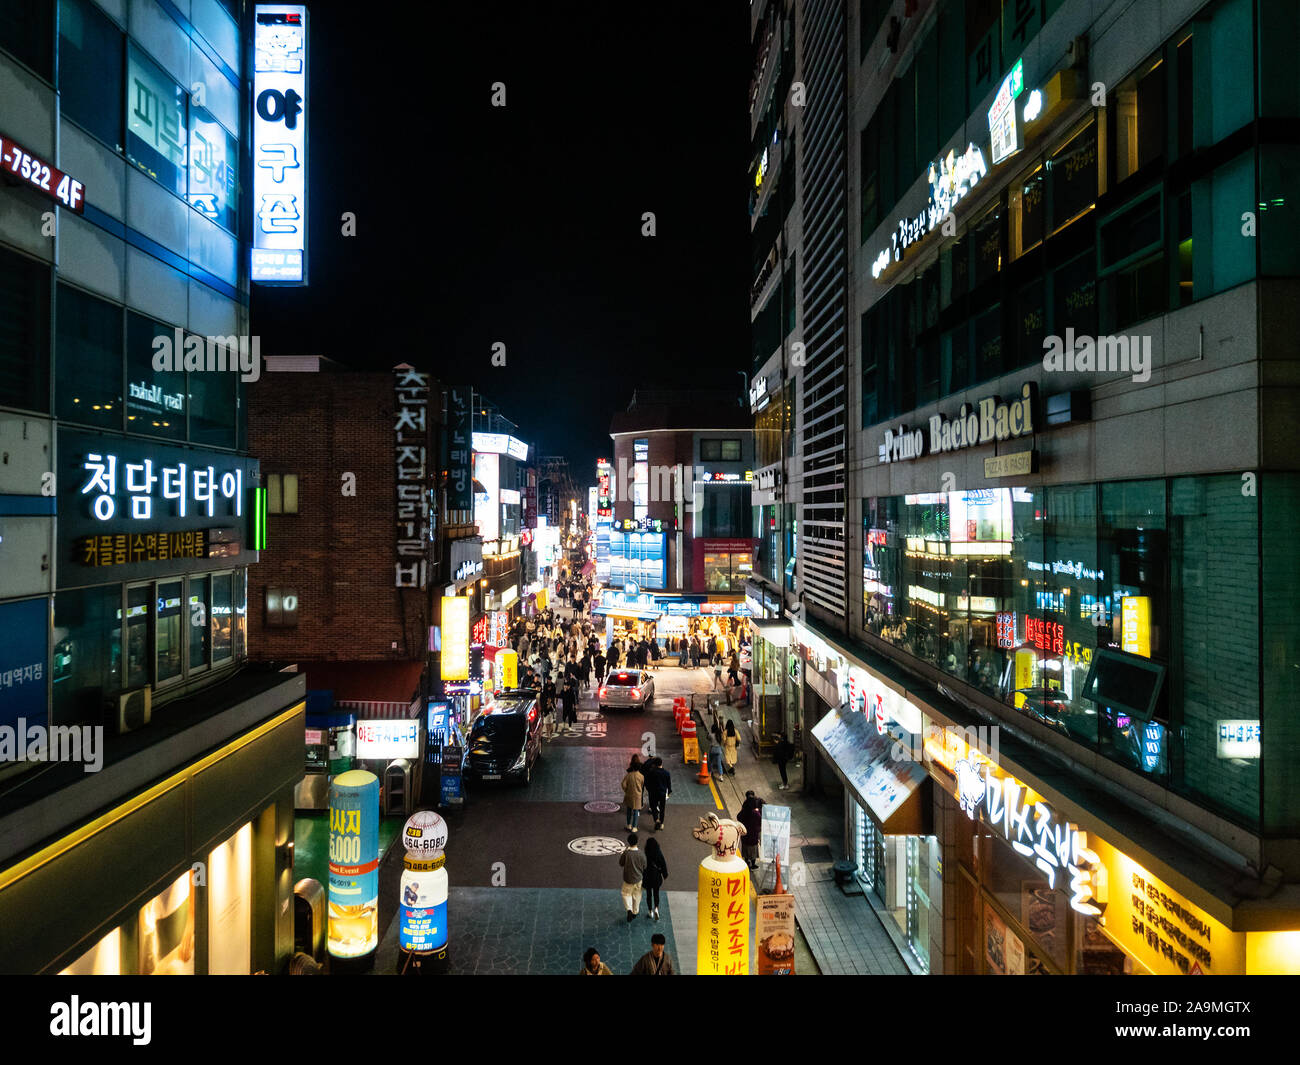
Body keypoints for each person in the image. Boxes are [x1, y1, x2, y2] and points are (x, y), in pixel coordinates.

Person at [619, 833, 647, 922]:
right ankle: (635, 911)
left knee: (626, 894)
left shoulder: (626, 853)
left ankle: (629, 909)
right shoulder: (641, 854)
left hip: (628, 880)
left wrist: (623, 854)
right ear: (637, 842)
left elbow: (621, 863)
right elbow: (645, 866)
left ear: (628, 842)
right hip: (638, 879)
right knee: (637, 895)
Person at [641, 836, 668, 920]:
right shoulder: (658, 853)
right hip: (656, 876)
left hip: (647, 877)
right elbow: (663, 863)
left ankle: (650, 911)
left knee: (649, 894)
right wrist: (664, 874)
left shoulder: (646, 853)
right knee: (656, 893)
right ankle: (656, 908)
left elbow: (642, 866)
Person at [737, 791, 765, 868]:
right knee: (753, 851)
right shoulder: (755, 814)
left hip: (745, 835)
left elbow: (738, 817)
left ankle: (747, 862)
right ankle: (753, 865)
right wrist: (758, 811)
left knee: (745, 849)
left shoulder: (744, 811)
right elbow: (760, 821)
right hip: (753, 836)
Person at [643, 756, 672, 830]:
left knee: (653, 806)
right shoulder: (666, 773)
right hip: (662, 793)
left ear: (654, 764)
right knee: (662, 809)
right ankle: (661, 823)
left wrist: (648, 788)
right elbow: (669, 784)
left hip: (653, 793)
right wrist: (669, 791)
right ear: (661, 763)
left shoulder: (651, 772)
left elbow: (646, 781)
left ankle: (656, 819)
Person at [621, 757, 645, 832]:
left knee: (629, 810)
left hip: (629, 794)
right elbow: (642, 784)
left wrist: (626, 790)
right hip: (637, 796)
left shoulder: (629, 775)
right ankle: (634, 827)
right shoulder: (641, 776)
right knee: (636, 811)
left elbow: (623, 784)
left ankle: (629, 825)